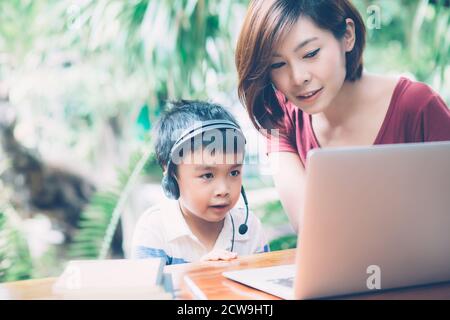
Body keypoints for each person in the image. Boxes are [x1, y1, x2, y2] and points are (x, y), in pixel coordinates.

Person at [235, 0, 450, 231]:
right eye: (277, 64)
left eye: (310, 53)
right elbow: (310, 227)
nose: (298, 78)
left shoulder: (417, 106)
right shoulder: (280, 117)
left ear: (347, 35)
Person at [131, 100, 269, 265]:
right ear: (171, 174)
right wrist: (198, 274)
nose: (223, 190)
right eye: (207, 175)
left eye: (234, 172)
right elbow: (151, 291)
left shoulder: (249, 228)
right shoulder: (155, 229)